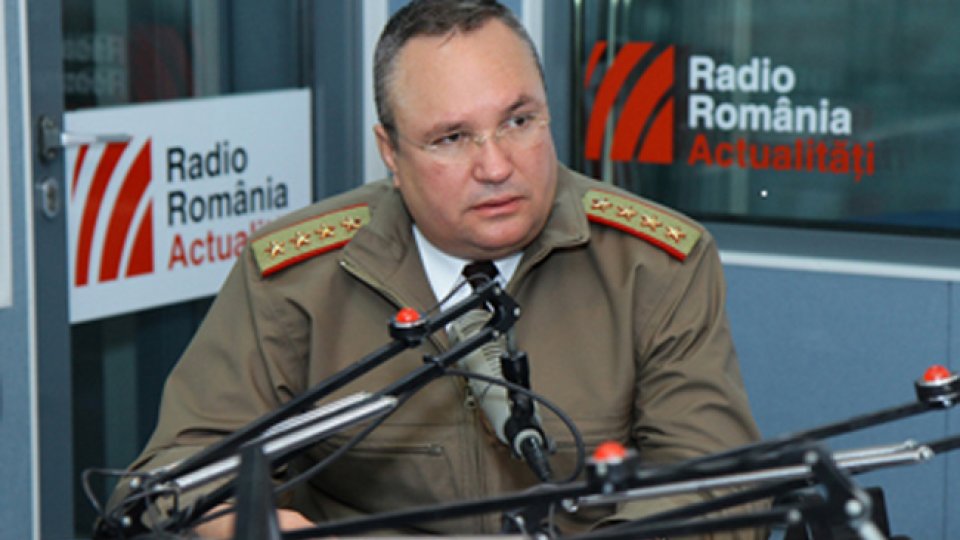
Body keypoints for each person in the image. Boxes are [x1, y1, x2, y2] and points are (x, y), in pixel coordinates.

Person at [111, 0, 763, 537]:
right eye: (453, 138)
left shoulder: (653, 262)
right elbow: (177, 475)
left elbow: (720, 483)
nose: (497, 165)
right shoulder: (298, 277)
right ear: (390, 152)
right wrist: (263, 527)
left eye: (519, 120)